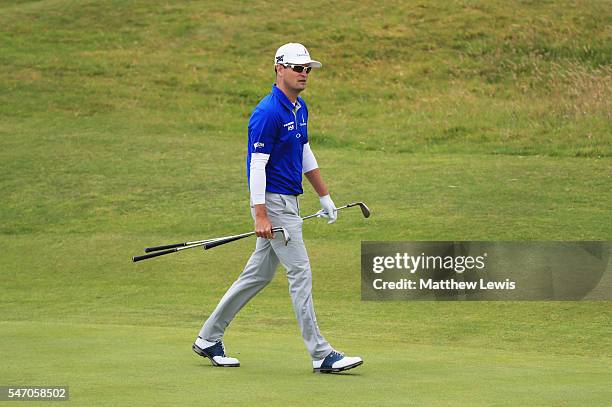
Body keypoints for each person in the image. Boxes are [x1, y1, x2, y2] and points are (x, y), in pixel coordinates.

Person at [192, 43, 363, 373]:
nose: (304, 74)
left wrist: (324, 196)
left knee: (257, 275)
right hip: (274, 203)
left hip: (290, 202)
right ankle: (321, 353)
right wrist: (260, 214)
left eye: (307, 69)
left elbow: (305, 152)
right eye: (298, 68)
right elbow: (256, 165)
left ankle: (208, 338)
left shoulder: (299, 108)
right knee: (300, 273)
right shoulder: (268, 112)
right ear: (279, 69)